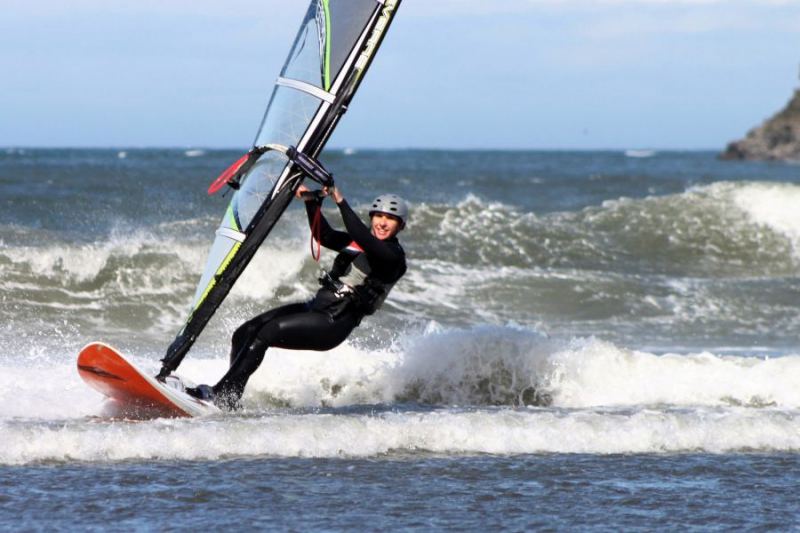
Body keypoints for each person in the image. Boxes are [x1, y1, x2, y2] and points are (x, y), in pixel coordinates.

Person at [187, 184, 408, 409]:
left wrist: (339, 200)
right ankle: (230, 397)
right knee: (244, 332)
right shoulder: (358, 244)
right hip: (315, 308)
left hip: (333, 322)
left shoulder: (393, 257)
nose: (382, 222)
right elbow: (324, 235)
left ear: (400, 225)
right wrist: (311, 202)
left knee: (265, 333)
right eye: (378, 216)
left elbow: (361, 234)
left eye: (390, 219)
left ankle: (222, 395)